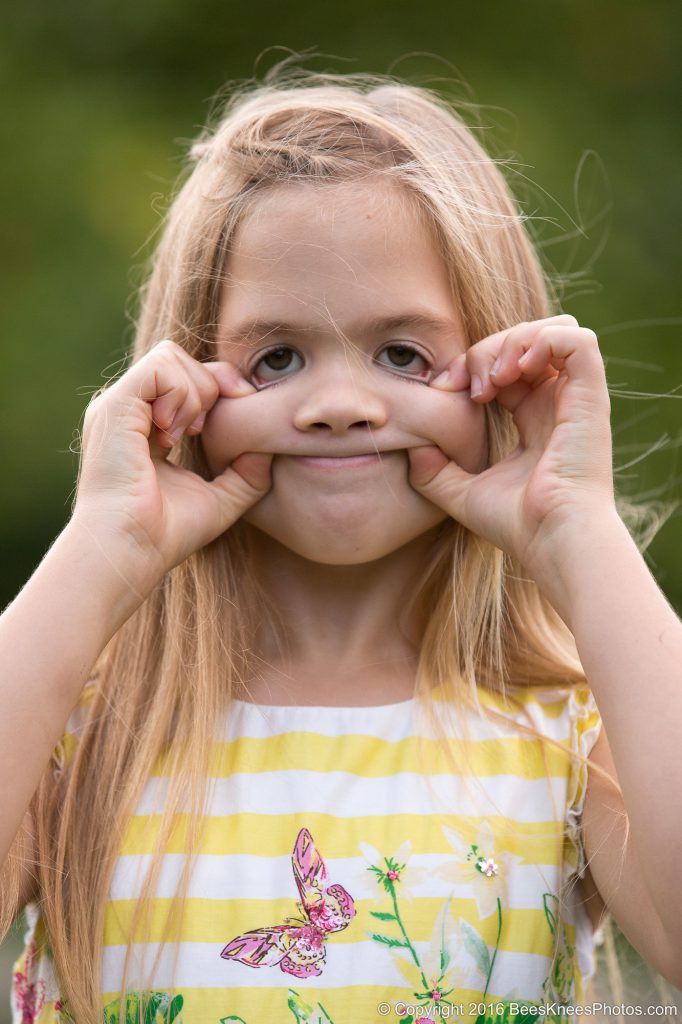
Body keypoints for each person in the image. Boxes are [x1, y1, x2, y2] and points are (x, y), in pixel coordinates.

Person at [1, 65, 681, 1024]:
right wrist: (98, 550)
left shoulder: (567, 720)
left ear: (502, 370)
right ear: (183, 382)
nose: (338, 406)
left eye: (403, 354)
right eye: (275, 358)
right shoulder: (83, 709)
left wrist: (581, 529)